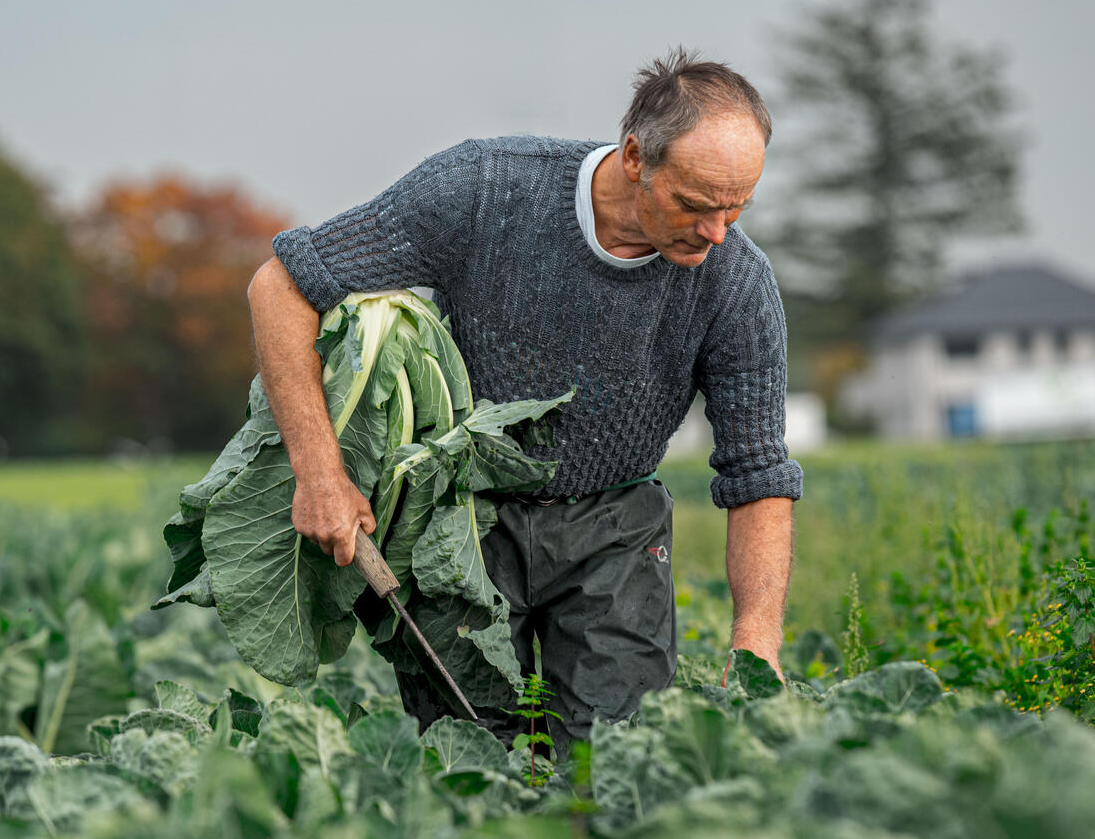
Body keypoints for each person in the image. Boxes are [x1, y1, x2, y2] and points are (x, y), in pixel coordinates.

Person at [246, 47, 800, 753]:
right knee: (473, 764)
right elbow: (282, 287)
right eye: (695, 204)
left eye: (737, 206)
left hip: (617, 529)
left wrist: (756, 644)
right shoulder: (484, 190)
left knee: (613, 767)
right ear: (636, 158)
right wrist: (320, 474)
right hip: (460, 524)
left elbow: (758, 474)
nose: (718, 231)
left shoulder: (737, 284)